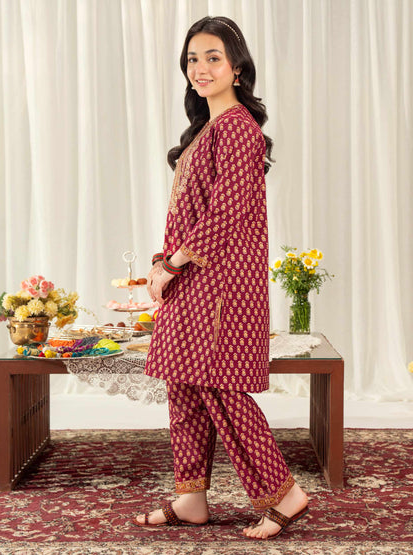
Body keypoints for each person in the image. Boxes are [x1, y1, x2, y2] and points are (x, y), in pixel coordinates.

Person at [134, 16, 308, 540]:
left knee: (220, 386)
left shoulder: (237, 128)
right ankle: (191, 498)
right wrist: (162, 259)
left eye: (213, 57)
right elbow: (192, 213)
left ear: (237, 67)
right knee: (184, 384)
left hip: (221, 286)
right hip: (194, 280)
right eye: (193, 59)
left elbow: (225, 215)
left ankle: (284, 492)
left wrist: (172, 265)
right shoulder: (208, 130)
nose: (201, 68)